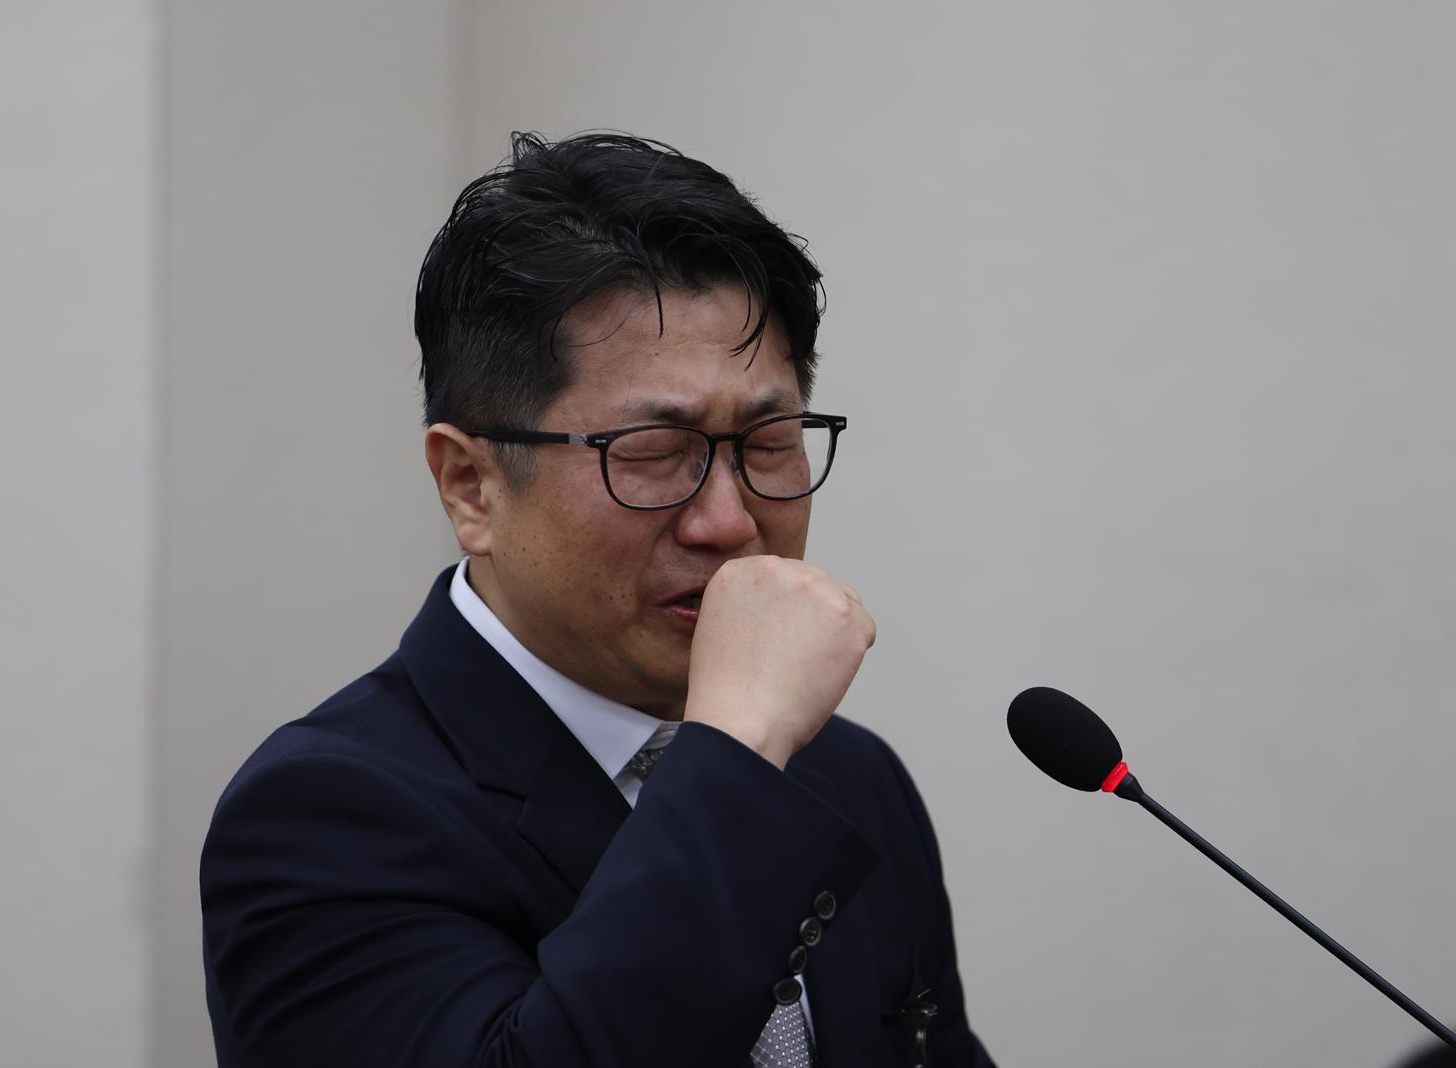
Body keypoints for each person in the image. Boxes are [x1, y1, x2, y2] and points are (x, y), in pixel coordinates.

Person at [200, 131, 995, 1067]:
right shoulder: (324, 815)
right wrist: (736, 754)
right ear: (469, 486)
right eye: (653, 453)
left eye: (770, 443)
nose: (730, 521)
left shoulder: (846, 775)